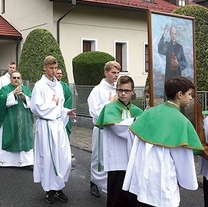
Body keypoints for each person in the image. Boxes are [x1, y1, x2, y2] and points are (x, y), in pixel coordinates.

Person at [123, 76, 203, 206]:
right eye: (189, 94)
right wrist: (183, 181)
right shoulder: (181, 121)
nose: (191, 98)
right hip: (164, 178)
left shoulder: (150, 112)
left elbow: (134, 141)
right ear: (179, 94)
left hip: (142, 175)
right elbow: (183, 158)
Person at [29, 56, 76, 204]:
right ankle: (50, 190)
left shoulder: (58, 86)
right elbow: (35, 108)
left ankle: (59, 185)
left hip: (58, 126)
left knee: (63, 158)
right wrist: (52, 104)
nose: (54, 71)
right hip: (46, 127)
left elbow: (59, 106)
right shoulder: (40, 85)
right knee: (49, 158)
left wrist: (65, 112)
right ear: (45, 67)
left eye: (56, 68)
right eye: (51, 68)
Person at [95, 75, 143, 206]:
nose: (122, 93)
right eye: (120, 90)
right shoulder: (109, 108)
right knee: (116, 197)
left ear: (133, 92)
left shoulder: (137, 111)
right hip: (117, 159)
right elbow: (118, 128)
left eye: (127, 90)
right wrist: (135, 122)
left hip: (133, 159)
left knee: (132, 196)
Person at [87, 61, 121, 197]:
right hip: (101, 129)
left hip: (114, 130)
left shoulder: (117, 90)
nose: (116, 75)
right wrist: (109, 102)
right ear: (105, 72)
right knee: (99, 157)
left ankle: (110, 185)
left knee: (112, 157)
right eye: (113, 72)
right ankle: (94, 182)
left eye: (118, 73)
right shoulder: (97, 90)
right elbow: (94, 112)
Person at [0, 71, 34, 168]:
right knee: (7, 137)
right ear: (10, 79)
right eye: (14, 78)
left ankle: (25, 162)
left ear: (21, 79)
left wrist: (24, 98)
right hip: (8, 120)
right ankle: (4, 161)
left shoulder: (26, 89)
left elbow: (32, 102)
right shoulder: (5, 89)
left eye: (18, 78)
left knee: (24, 139)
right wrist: (13, 94)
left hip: (23, 121)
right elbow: (1, 101)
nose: (16, 80)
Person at [56, 67, 73, 139]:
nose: (59, 75)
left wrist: (64, 109)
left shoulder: (65, 86)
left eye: (61, 73)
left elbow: (69, 98)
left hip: (64, 113)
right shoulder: (51, 85)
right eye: (58, 73)